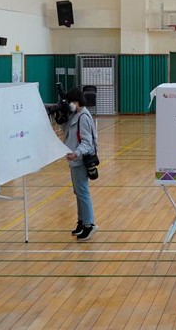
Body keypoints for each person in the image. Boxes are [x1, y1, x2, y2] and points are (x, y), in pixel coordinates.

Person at [62, 87, 98, 241]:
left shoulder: (83, 117)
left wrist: (76, 153)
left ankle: (89, 224)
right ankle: (82, 221)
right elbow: (67, 132)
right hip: (73, 159)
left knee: (82, 192)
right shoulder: (75, 114)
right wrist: (62, 117)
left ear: (75, 102)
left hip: (81, 159)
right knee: (78, 192)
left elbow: (87, 143)